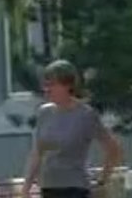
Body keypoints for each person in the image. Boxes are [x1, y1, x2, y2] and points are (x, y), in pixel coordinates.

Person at [20, 60, 123, 198]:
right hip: (48, 188)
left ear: (67, 85)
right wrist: (26, 188)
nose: (47, 89)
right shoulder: (44, 113)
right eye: (46, 84)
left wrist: (102, 181)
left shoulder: (86, 115)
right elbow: (37, 153)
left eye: (52, 84)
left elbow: (113, 149)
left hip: (75, 188)